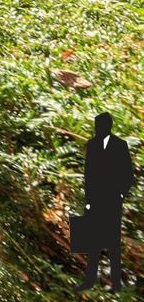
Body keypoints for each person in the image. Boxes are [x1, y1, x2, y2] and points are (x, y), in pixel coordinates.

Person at [77, 112, 134, 291]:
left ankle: (116, 283)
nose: (98, 128)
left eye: (101, 125)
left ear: (107, 126)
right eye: (97, 125)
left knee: (113, 243)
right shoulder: (92, 145)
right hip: (95, 201)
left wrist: (120, 195)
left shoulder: (119, 145)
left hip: (112, 200)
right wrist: (88, 200)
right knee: (93, 242)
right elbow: (89, 175)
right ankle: (90, 280)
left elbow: (128, 173)